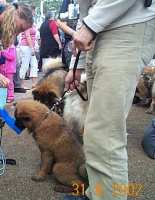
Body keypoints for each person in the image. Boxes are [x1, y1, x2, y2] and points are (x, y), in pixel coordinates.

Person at [61, 1, 155, 200]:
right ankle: (97, 193)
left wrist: (91, 25)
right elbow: (86, 9)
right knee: (95, 130)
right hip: (100, 31)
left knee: (104, 133)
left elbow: (89, 17)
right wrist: (75, 66)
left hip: (126, 26)